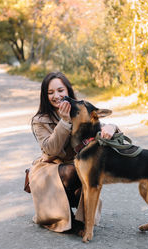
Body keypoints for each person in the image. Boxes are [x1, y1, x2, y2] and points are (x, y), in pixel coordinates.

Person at [28, 72, 118, 233]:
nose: (56, 96)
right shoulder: (39, 120)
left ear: (68, 91)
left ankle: (78, 213)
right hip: (50, 168)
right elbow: (51, 149)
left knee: (87, 171)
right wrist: (64, 122)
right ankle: (60, 215)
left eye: (60, 90)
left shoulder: (79, 111)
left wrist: (112, 127)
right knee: (74, 171)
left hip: (76, 166)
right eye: (50, 93)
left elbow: (99, 125)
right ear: (45, 95)